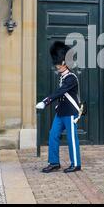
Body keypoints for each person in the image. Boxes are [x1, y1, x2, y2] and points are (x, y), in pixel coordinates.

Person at [36, 41, 82, 173]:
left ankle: (76, 164)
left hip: (70, 112)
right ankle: (54, 162)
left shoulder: (71, 78)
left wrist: (45, 101)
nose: (56, 66)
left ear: (64, 62)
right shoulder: (62, 77)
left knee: (72, 138)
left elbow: (60, 92)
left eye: (58, 63)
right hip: (61, 112)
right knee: (53, 135)